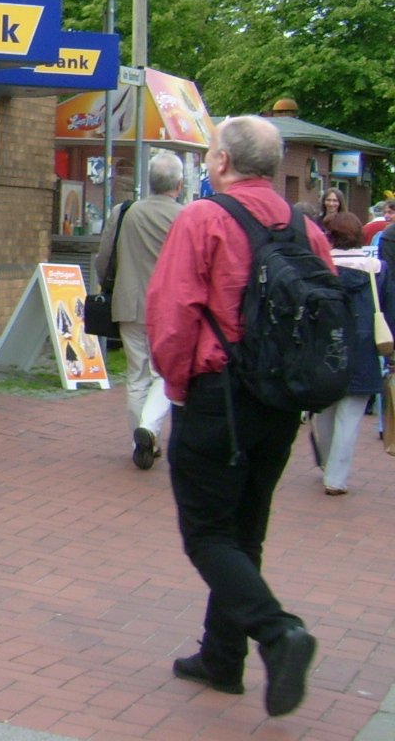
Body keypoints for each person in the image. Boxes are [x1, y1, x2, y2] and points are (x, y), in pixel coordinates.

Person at [147, 115, 323, 717]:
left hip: (217, 395)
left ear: (221, 161)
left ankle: (278, 634)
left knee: (207, 534)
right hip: (281, 401)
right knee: (246, 532)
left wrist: (174, 388)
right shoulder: (305, 226)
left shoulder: (204, 218)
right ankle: (222, 658)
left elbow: (172, 314)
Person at [96, 149, 184, 470]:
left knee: (136, 375)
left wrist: (104, 285)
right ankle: (148, 428)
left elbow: (105, 257)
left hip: (129, 303)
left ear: (150, 181)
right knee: (163, 373)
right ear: (178, 183)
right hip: (168, 308)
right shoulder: (184, 217)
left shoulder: (124, 212)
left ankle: (140, 441)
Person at [313, 212, 385, 494]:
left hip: (326, 347)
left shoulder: (320, 267)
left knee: (326, 412)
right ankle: (336, 476)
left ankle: (327, 464)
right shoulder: (377, 269)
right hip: (364, 347)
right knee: (351, 416)